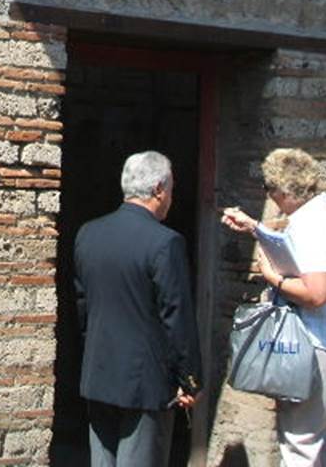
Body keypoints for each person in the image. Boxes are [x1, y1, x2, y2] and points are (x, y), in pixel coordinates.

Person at [221, 148, 326, 467]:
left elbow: (316, 293)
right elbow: (297, 251)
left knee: (299, 445)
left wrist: (274, 279)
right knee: (320, 443)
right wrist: (256, 227)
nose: (269, 197)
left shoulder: (309, 226)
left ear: (283, 191)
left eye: (269, 190)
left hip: (317, 344)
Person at [73, 150, 202, 467]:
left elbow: (83, 307)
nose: (172, 197)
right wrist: (190, 379)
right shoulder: (165, 242)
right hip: (146, 381)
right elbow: (176, 317)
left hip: (99, 371)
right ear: (159, 189)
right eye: (171, 188)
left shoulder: (89, 234)